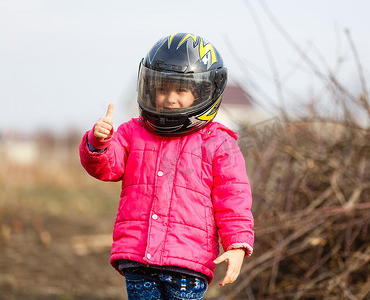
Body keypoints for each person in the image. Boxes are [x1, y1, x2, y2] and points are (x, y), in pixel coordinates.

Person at [79, 33, 254, 300]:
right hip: (138, 258)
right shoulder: (132, 133)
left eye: (181, 90)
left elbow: (234, 200)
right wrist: (98, 142)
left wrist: (237, 246)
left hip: (188, 262)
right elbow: (106, 168)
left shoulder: (219, 143)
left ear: (203, 91)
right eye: (163, 89)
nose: (170, 98)